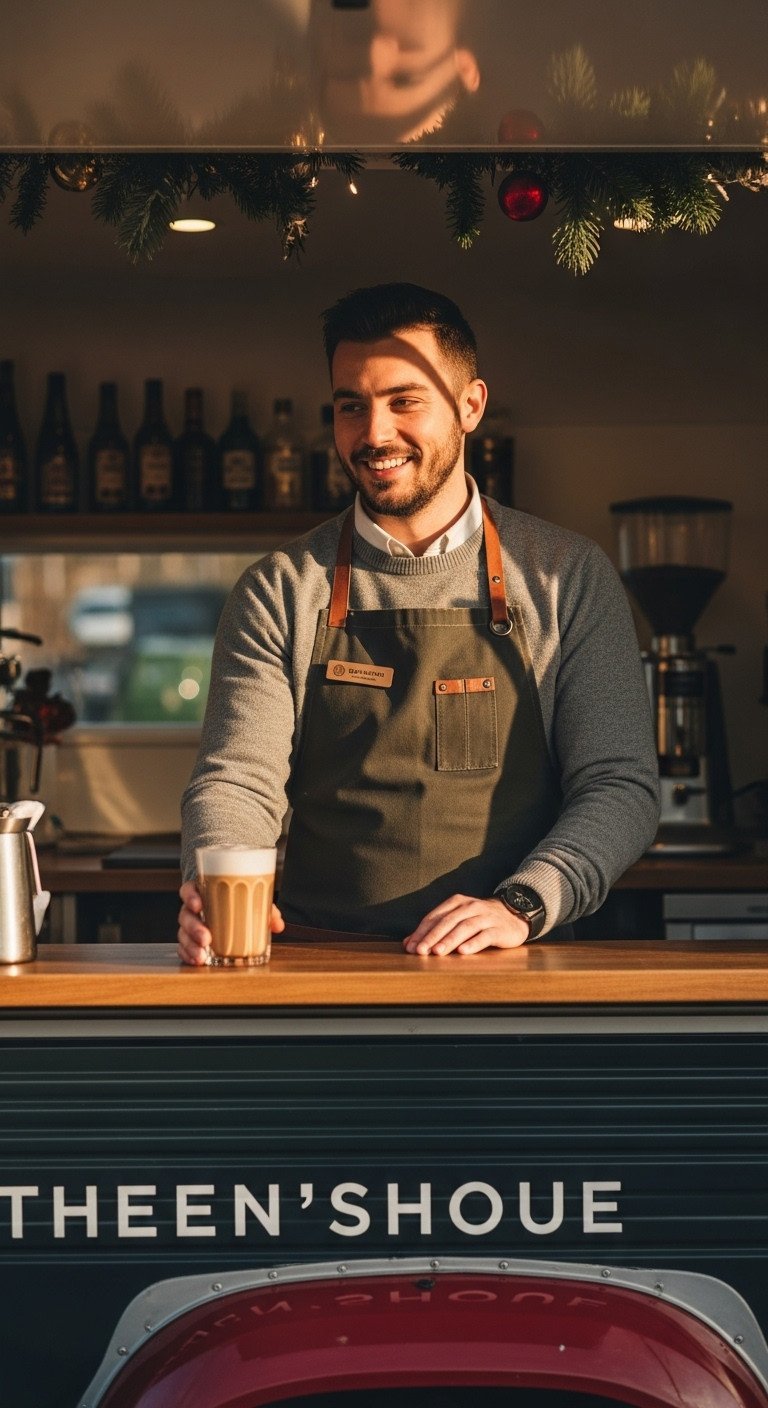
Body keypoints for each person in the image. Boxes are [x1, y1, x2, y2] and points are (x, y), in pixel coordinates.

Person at [178, 282, 660, 963]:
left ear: (470, 406)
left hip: (512, 967)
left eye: (404, 401)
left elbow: (619, 786)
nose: (374, 435)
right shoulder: (280, 589)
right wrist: (213, 884)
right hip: (321, 965)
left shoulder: (566, 577)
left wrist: (523, 902)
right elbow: (237, 780)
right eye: (352, 406)